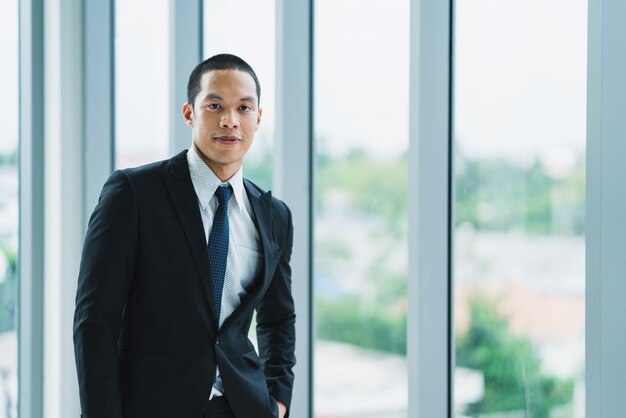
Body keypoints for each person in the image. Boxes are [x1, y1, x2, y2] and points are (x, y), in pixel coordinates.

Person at [73, 54, 296, 418]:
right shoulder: (133, 193)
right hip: (151, 405)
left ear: (258, 117)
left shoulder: (274, 216)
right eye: (214, 105)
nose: (230, 120)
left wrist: (278, 400)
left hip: (244, 407)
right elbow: (95, 320)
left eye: (243, 107)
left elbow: (278, 318)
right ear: (189, 113)